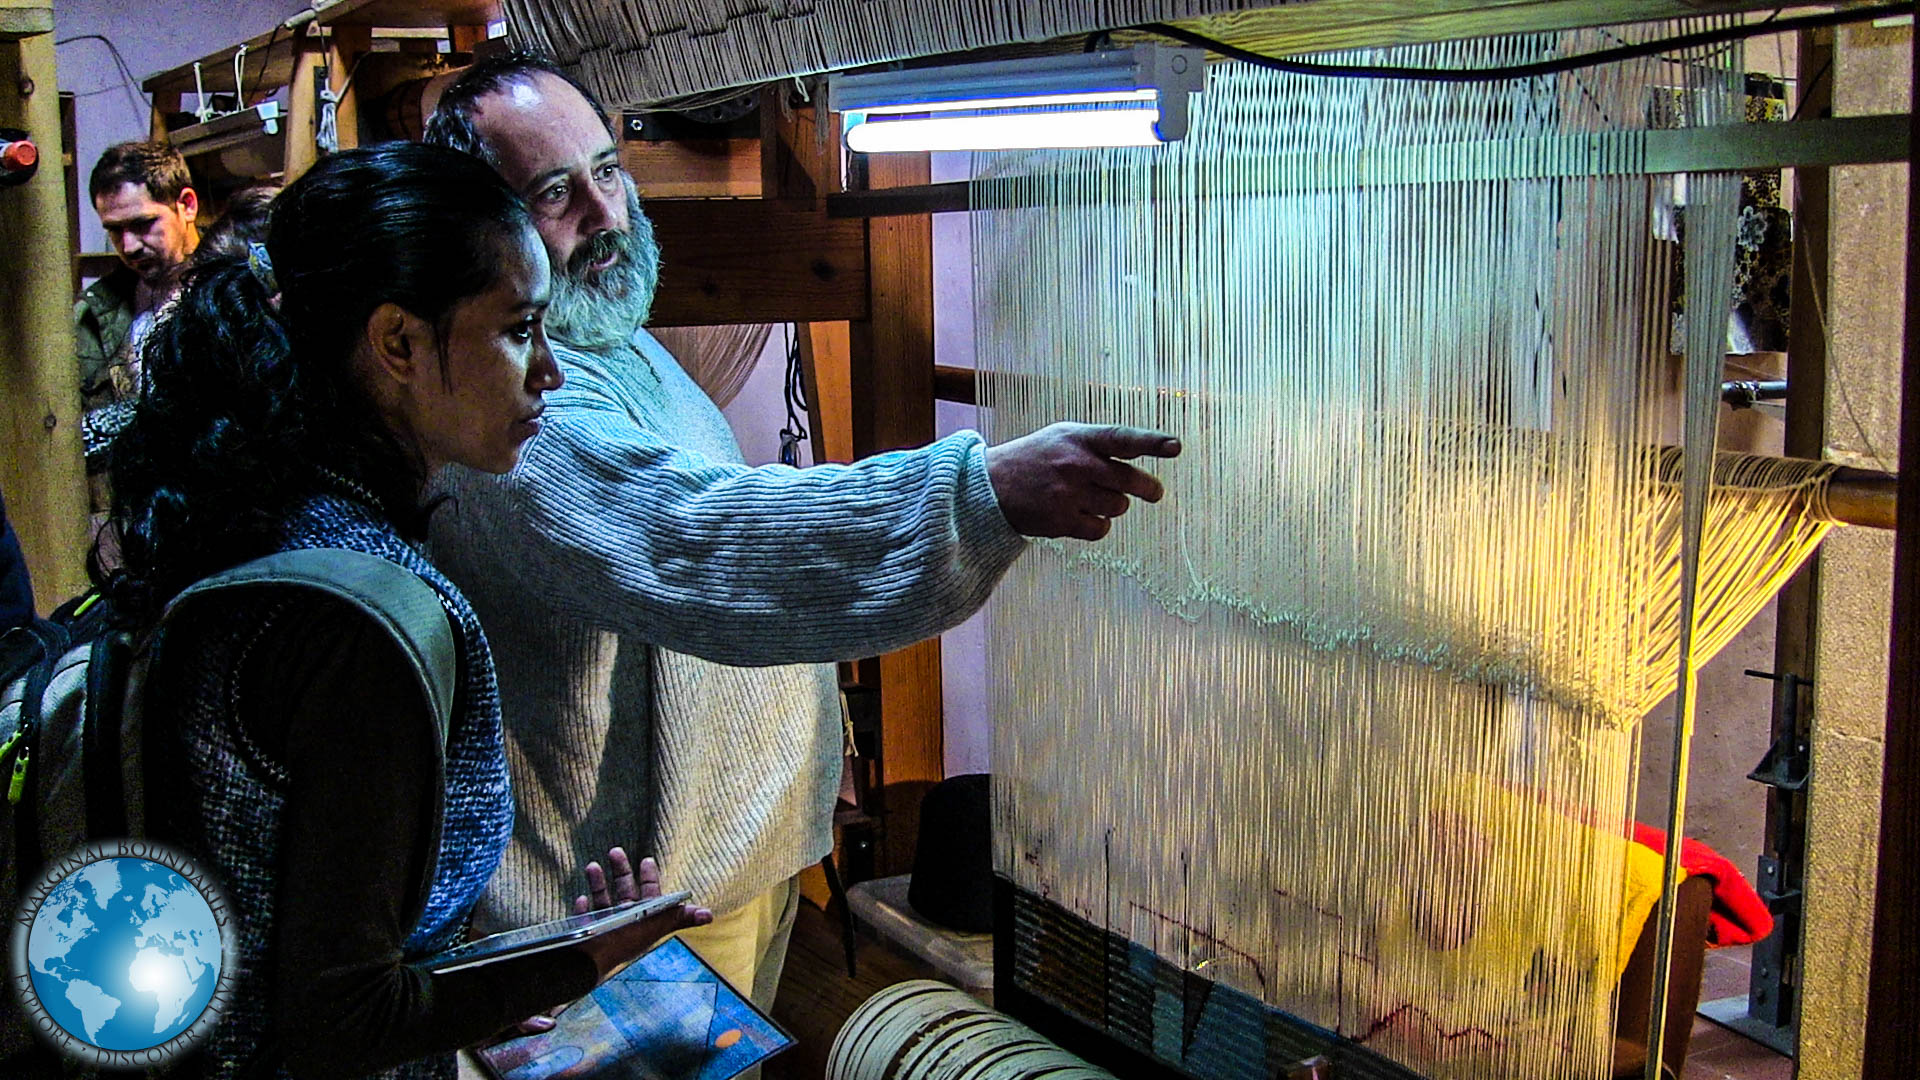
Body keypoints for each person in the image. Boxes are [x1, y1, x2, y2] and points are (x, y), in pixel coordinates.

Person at [423, 53, 1182, 1018]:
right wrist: (979, 491)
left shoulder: (606, 339)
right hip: (618, 908)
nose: (606, 216)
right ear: (475, 223)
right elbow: (698, 541)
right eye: (555, 192)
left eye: (609, 171)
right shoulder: (514, 405)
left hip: (732, 862)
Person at [97, 142, 707, 1079]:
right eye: (518, 329)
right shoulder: (358, 621)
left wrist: (508, 972)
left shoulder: (269, 524)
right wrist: (578, 962)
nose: (548, 370)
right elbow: (339, 1019)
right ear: (398, 344)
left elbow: (305, 926)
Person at [76, 140, 200, 412]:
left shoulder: (236, 294)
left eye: (142, 224)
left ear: (187, 205)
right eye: (115, 230)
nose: (129, 246)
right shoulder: (94, 313)